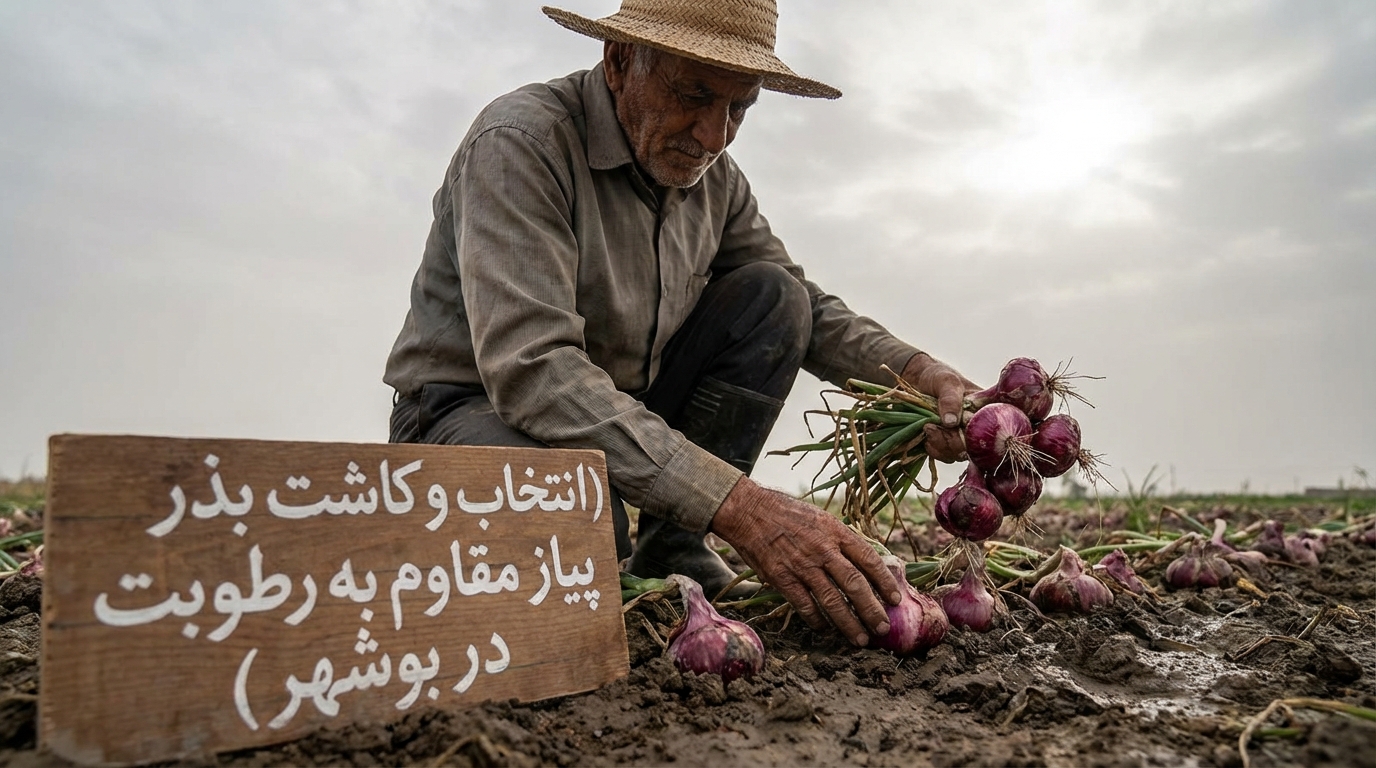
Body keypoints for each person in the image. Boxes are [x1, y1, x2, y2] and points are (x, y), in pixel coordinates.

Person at [384, 0, 979, 648]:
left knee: (776, 300)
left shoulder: (716, 182)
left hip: (616, 409)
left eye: (739, 108)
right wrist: (744, 509)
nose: (713, 134)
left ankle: (674, 548)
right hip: (468, 409)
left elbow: (807, 307)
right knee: (582, 526)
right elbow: (536, 373)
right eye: (693, 94)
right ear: (619, 61)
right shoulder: (522, 144)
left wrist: (920, 375)